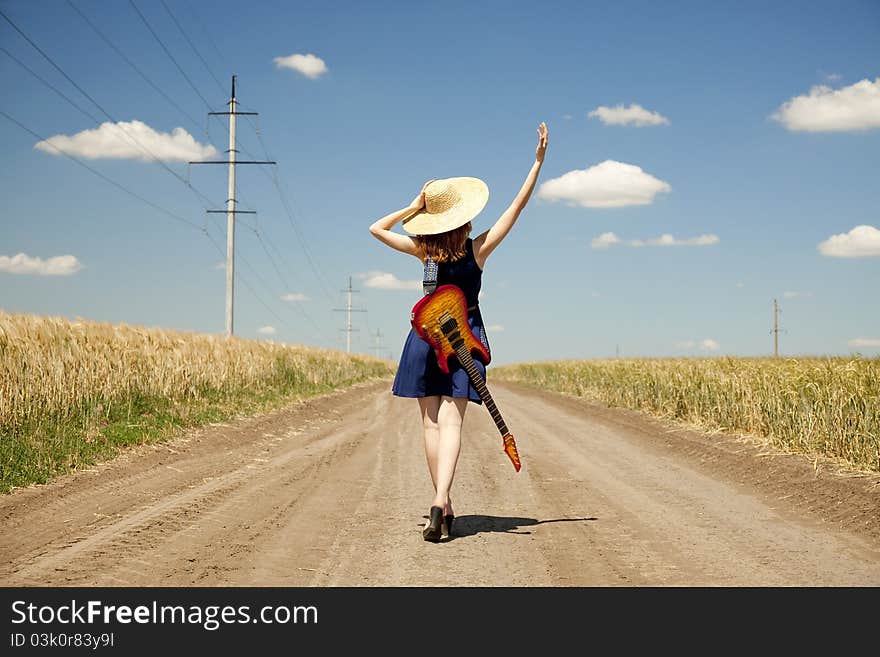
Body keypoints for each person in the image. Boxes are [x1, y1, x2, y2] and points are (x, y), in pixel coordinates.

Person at [368, 122, 548, 542]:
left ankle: (441, 503)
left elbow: (377, 229)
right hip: (464, 336)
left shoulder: (423, 251)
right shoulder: (477, 249)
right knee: (452, 424)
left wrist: (414, 207)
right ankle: (440, 500)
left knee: (430, 425)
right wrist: (537, 162)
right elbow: (517, 208)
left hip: (425, 339)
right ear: (465, 218)